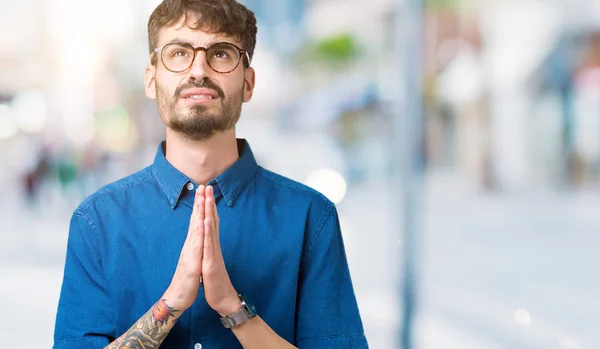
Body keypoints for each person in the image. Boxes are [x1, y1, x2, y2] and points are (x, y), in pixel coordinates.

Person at [53, 0, 368, 348]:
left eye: (220, 54)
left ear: (248, 83)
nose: (198, 69)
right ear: (151, 79)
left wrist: (233, 308)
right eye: (178, 53)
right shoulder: (97, 221)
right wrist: (170, 303)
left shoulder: (311, 217)